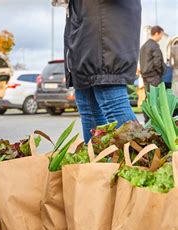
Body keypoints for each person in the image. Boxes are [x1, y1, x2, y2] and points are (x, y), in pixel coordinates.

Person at [63, 0, 140, 142]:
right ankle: (97, 162)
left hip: (104, 29)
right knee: (88, 107)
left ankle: (143, 160)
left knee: (111, 100)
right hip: (83, 28)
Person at [139, 26, 167, 122]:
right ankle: (155, 122)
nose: (161, 37)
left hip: (145, 77)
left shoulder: (143, 46)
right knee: (156, 100)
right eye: (161, 35)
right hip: (154, 76)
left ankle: (147, 121)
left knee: (148, 99)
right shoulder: (154, 46)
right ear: (157, 33)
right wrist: (160, 72)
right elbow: (157, 62)